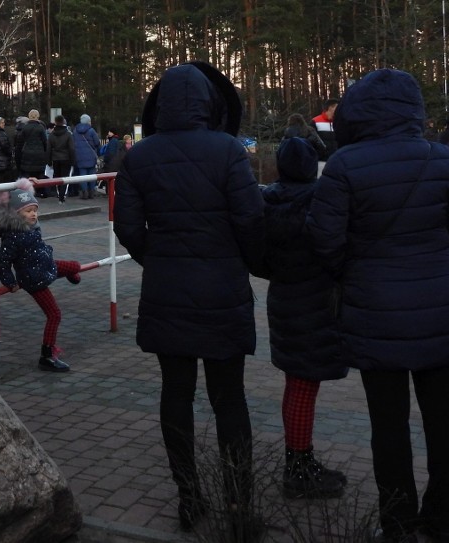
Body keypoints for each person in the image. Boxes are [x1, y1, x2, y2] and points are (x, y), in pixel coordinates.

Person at [306, 69, 449, 543]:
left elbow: (323, 241)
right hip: (438, 312)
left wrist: (361, 264)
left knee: (388, 427)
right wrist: (430, 254)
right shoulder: (443, 159)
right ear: (412, 110)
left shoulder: (345, 165)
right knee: (445, 421)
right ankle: (439, 521)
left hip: (373, 313)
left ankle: (399, 523)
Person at [113, 61, 265, 534]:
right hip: (223, 291)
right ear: (206, 103)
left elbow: (127, 227)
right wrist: (247, 262)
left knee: (175, 395)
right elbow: (251, 219)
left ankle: (189, 496)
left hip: (166, 290)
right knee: (230, 399)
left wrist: (159, 262)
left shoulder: (138, 157)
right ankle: (239, 503)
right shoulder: (228, 150)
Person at [253, 137, 348, 500]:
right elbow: (334, 246)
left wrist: (278, 274)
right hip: (318, 301)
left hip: (284, 300)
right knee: (304, 385)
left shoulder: (267, 201)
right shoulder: (322, 199)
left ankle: (301, 462)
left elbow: (256, 252)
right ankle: (298, 468)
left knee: (299, 383)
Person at [0, 179, 82, 372]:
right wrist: (10, 283)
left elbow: (21, 194)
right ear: (16, 214)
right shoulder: (13, 236)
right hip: (33, 279)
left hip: (46, 266)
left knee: (75, 266)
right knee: (54, 314)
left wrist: (26, 185)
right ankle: (47, 356)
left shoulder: (32, 226)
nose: (33, 214)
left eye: (35, 210)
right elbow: (2, 262)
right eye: (29, 211)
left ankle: (72, 275)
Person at [16, 109, 49, 196]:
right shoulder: (41, 128)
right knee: (40, 174)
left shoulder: (25, 128)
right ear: (38, 117)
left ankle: (27, 191)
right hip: (39, 154)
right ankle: (41, 191)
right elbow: (45, 142)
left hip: (27, 154)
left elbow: (20, 142)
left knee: (27, 173)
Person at [46, 115, 76, 203]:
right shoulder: (68, 134)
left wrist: (48, 161)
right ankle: (62, 196)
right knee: (65, 178)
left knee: (57, 177)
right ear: (63, 122)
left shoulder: (51, 135)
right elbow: (71, 148)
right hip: (66, 159)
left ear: (55, 122)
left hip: (55, 159)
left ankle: (59, 194)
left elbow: (48, 149)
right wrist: (72, 160)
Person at [73, 113, 101, 200]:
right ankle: (91, 192)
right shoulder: (91, 131)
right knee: (92, 175)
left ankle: (84, 192)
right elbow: (97, 143)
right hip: (91, 156)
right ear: (88, 121)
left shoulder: (75, 131)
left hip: (79, 156)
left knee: (82, 175)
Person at [311, 98, 339, 173]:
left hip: (337, 160)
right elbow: (311, 142)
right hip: (321, 162)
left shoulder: (339, 122)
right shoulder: (315, 121)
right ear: (331, 108)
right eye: (337, 108)